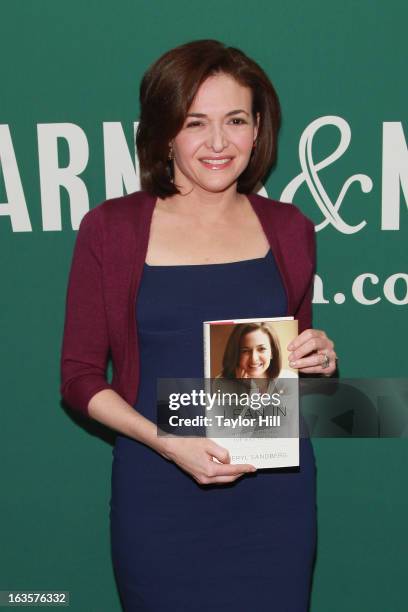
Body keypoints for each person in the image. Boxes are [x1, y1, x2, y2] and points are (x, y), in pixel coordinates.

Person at [60, 39, 337, 611]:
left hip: (273, 498)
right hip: (159, 489)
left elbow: (281, 378)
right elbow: (80, 378)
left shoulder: (290, 229)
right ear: (164, 132)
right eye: (195, 122)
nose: (218, 143)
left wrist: (317, 359)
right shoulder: (110, 229)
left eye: (235, 120)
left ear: (258, 129)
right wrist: (168, 444)